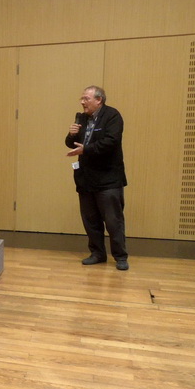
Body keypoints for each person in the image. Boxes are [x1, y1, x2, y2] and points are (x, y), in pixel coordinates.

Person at [65, 85, 129, 271]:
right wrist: (71, 134)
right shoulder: (82, 118)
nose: (82, 102)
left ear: (99, 100)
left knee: (113, 221)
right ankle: (97, 253)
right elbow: (72, 144)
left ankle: (120, 256)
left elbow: (111, 142)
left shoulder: (112, 116)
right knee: (90, 220)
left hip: (108, 179)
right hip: (86, 178)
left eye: (86, 98)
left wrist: (86, 149)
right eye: (82, 98)